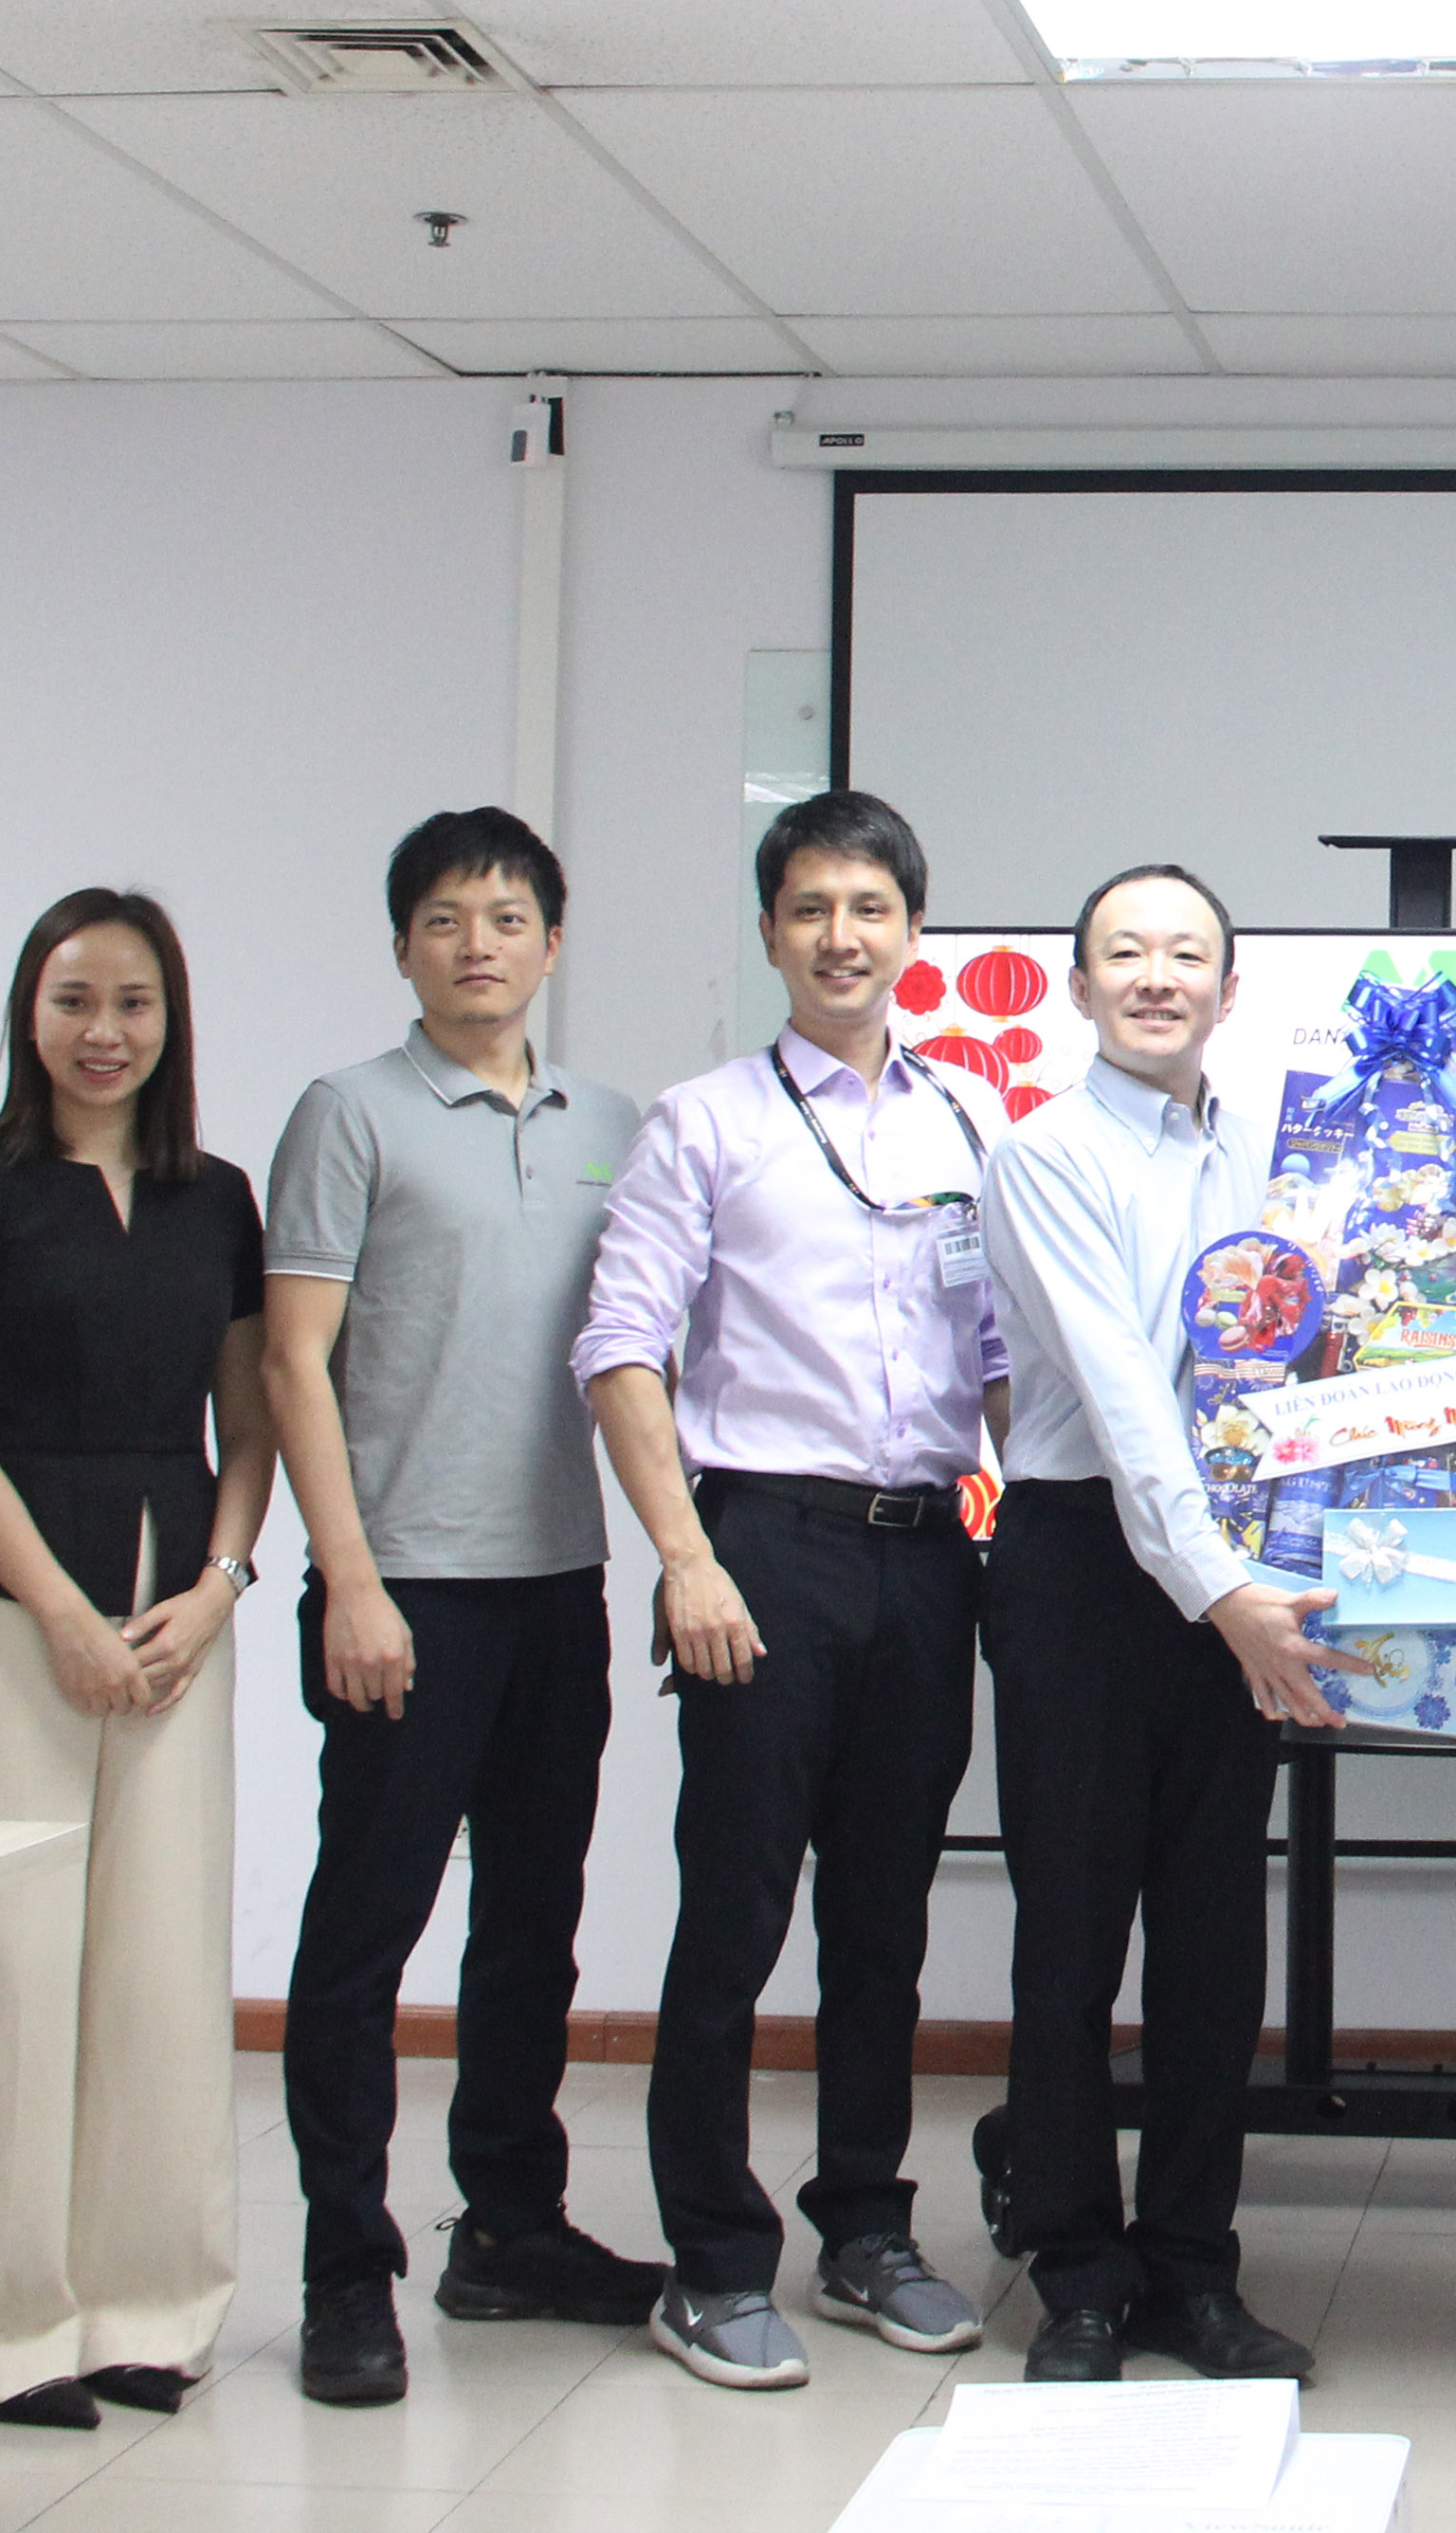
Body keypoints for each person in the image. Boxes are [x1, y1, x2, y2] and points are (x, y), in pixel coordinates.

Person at [576, 791, 1006, 2392]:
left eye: (871, 908)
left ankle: (864, 2226)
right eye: (810, 908)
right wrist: (685, 1556)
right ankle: (709, 2254)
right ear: (771, 933)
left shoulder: (971, 1127)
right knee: (739, 1910)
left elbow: (1000, 1361)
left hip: (926, 1557)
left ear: (911, 933)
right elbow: (619, 1345)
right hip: (759, 1548)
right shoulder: (705, 1122)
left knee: (884, 1919)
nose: (842, 936)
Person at [268, 809, 659, 2408]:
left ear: (552, 943)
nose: (478, 943)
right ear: (405, 949)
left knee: (529, 1930)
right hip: (400, 1590)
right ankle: (344, 2269)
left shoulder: (608, 1121)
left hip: (554, 1585)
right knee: (365, 1935)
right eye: (445, 919)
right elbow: (294, 1359)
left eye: (507, 916)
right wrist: (348, 1578)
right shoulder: (347, 1115)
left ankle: (508, 2228)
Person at [0, 888, 268, 2429]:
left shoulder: (216, 1198)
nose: (102, 1033)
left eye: (133, 1005)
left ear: (171, 1025)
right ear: (26, 1016)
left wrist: (224, 1582)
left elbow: (249, 1422)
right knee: (4, 1975)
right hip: (2, 1619)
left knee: (163, 1976)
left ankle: (141, 2312)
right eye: (72, 1001)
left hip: (179, 1615)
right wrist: (53, 1609)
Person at [977, 864, 1347, 2386]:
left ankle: (1196, 2268)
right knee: (1072, 1935)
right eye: (1123, 952)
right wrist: (1227, 1600)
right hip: (1083, 1564)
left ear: (1228, 988)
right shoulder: (1045, 1152)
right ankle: (1076, 2267)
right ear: (1077, 988)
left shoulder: (1274, 1152)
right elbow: (1132, 1404)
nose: (1155, 975)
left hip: (1237, 1569)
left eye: (1185, 953)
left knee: (1212, 1940)